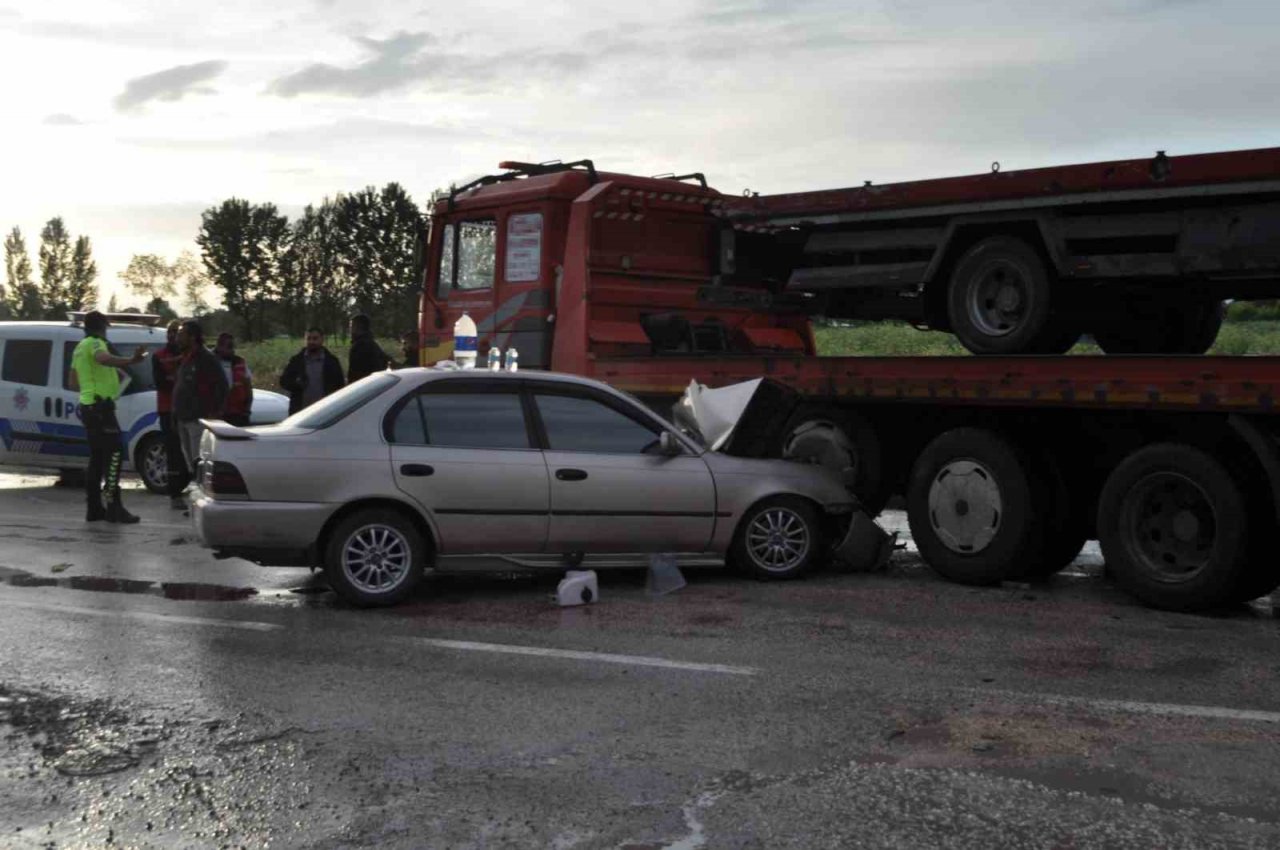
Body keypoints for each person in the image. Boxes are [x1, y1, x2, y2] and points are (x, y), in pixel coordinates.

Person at [70, 310, 147, 523]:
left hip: (88, 407)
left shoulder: (78, 348)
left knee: (96, 458)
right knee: (114, 455)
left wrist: (91, 385)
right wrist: (131, 360)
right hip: (100, 408)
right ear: (101, 327)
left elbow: (73, 382)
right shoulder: (95, 343)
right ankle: (114, 506)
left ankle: (94, 508)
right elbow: (102, 358)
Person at [172, 320, 228, 485]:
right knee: (192, 466)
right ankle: (196, 502)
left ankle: (203, 501)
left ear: (193, 337)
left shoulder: (206, 359)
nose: (177, 338)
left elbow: (222, 387)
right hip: (183, 418)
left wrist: (213, 413)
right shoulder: (186, 358)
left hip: (198, 420)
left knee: (201, 464)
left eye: (181, 335)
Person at [151, 320, 188, 509]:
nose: (174, 335)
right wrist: (180, 381)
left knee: (189, 451)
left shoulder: (189, 354)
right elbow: (161, 383)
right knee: (173, 451)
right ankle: (175, 494)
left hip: (188, 409)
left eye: (177, 332)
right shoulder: (159, 356)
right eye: (171, 332)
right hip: (167, 410)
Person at [281, 327, 345, 415]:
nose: (311, 342)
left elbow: (340, 387)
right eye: (308, 339)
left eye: (315, 338)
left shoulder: (332, 362)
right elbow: (283, 381)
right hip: (301, 413)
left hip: (325, 412)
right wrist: (296, 383)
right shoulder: (296, 361)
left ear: (322, 339)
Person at [214, 332, 254, 427]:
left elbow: (248, 387)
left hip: (239, 414)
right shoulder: (212, 363)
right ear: (219, 347)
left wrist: (247, 410)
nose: (232, 350)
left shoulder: (239, 362)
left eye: (232, 346)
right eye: (229, 346)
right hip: (220, 415)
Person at [347, 313, 391, 382]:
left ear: (359, 326)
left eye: (351, 326)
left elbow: (355, 373)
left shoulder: (360, 346)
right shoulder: (372, 344)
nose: (349, 329)